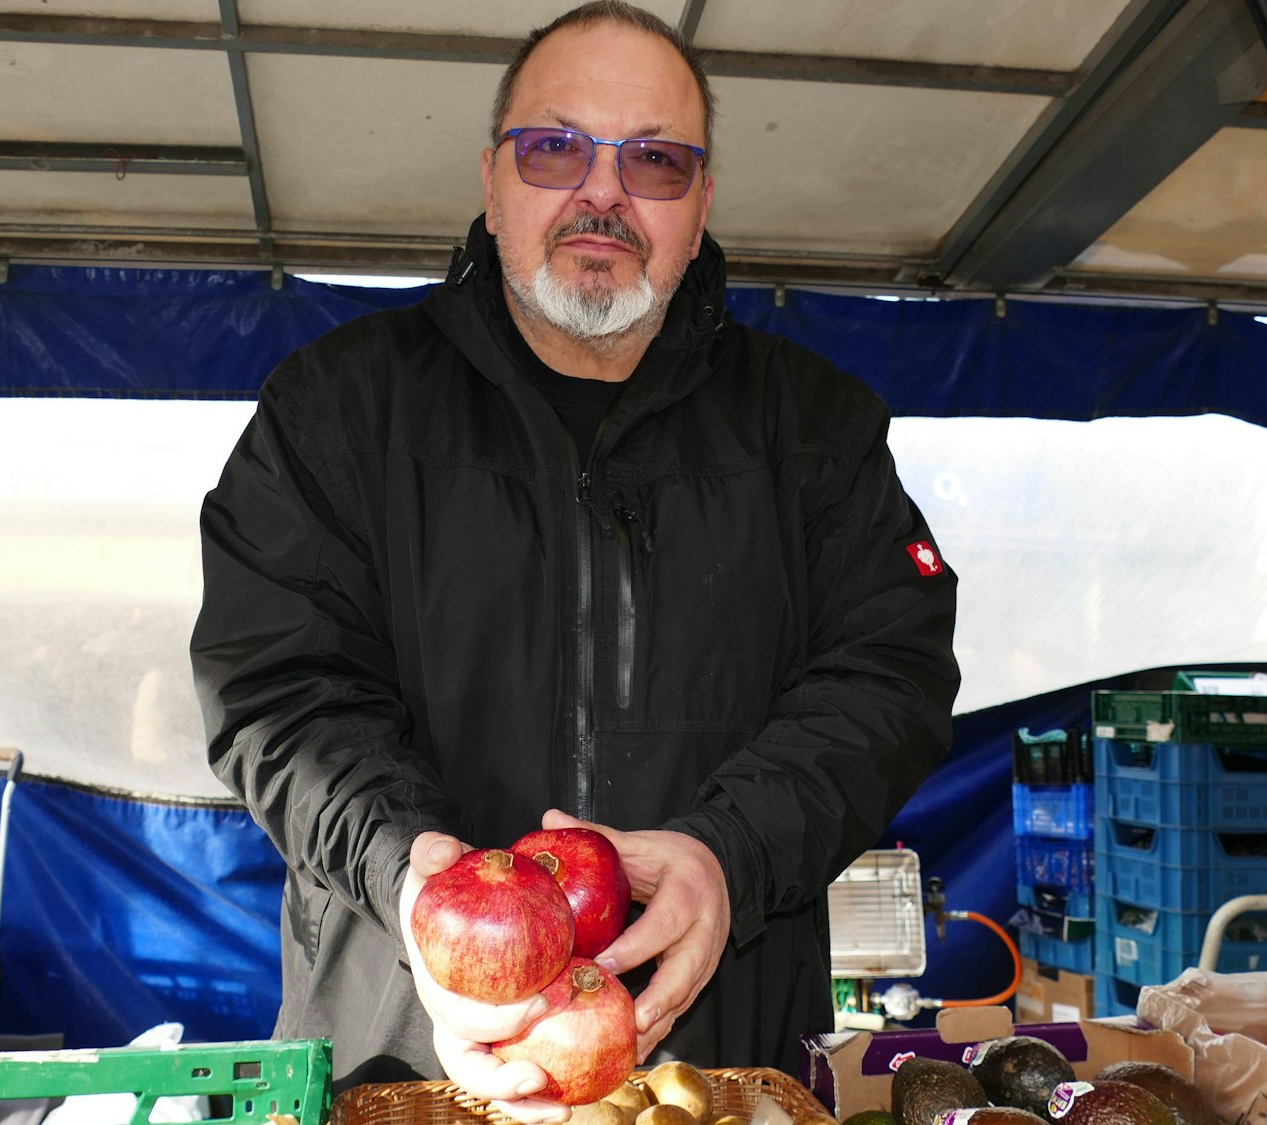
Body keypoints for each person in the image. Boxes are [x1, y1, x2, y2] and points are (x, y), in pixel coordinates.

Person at [190, 2, 959, 1118]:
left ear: (701, 204)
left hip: (716, 1060)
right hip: (406, 1051)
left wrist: (728, 857)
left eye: (654, 160)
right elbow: (275, 688)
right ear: (492, 180)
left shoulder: (814, 429)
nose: (602, 191)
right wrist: (410, 879)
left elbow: (889, 671)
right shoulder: (338, 410)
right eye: (554, 148)